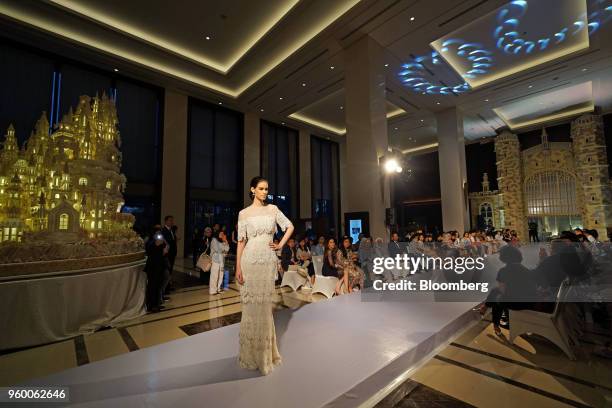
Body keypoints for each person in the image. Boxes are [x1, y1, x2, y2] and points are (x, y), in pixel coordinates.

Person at [235, 176, 294, 375]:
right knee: (250, 308)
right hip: (249, 261)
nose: (264, 192)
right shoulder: (243, 214)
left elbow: (290, 227)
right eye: (261, 188)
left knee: (265, 308)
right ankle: (250, 355)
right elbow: (241, 242)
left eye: (266, 188)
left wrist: (280, 244)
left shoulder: (273, 209)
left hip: (267, 261)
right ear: (252, 190)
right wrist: (237, 267)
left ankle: (265, 355)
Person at [144, 225, 167, 313]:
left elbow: (166, 247)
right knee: (152, 286)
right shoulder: (150, 242)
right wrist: (156, 244)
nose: (159, 234)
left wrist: (163, 245)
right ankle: (151, 305)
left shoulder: (160, 241)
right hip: (153, 267)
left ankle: (156, 304)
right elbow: (149, 251)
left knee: (158, 285)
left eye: (160, 233)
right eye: (157, 233)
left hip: (160, 266)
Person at [209, 230, 230, 295]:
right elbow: (218, 249)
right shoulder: (214, 240)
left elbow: (227, 249)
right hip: (215, 260)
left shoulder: (223, 241)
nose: (222, 235)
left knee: (221, 275)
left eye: (223, 234)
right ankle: (212, 290)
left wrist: (225, 241)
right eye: (220, 234)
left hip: (222, 261)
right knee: (214, 275)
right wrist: (224, 249)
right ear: (217, 234)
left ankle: (218, 288)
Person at [161, 215, 177, 294]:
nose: (172, 222)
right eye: (170, 220)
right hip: (168, 253)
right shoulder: (163, 231)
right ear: (166, 221)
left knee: (170, 270)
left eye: (172, 220)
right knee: (167, 270)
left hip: (172, 253)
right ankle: (166, 288)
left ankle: (168, 286)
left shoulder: (172, 230)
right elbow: (167, 242)